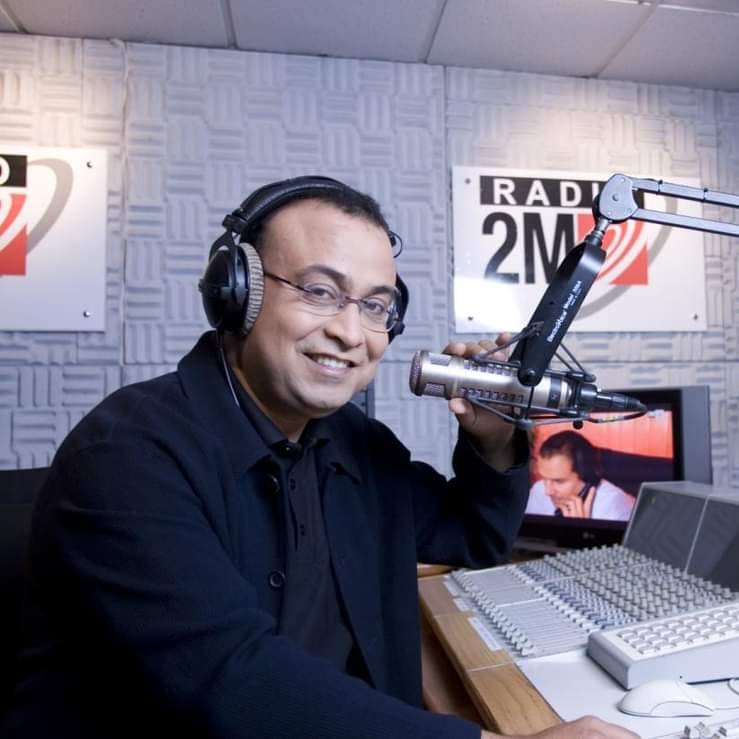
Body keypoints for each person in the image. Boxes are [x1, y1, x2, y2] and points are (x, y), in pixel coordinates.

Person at [5, 177, 636, 739]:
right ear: (238, 292)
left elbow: (474, 538)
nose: (350, 333)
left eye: (374, 306)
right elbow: (234, 683)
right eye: (319, 291)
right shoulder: (126, 457)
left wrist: (493, 438)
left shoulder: (352, 442)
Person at [525, 431, 636, 520]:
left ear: (586, 476)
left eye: (559, 481)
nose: (548, 492)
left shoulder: (615, 505)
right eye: (544, 479)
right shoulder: (538, 490)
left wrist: (582, 531)